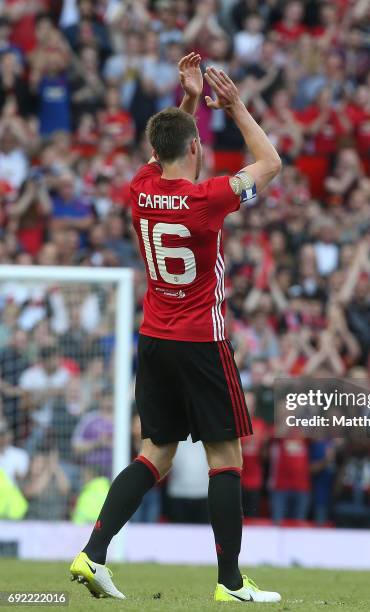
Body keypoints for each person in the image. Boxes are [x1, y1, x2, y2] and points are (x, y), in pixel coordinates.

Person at [70, 52, 282, 603]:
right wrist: (234, 106)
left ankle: (92, 554)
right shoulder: (205, 200)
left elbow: (163, 150)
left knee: (155, 451)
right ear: (196, 147)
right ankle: (230, 583)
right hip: (201, 342)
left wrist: (187, 100)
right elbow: (271, 162)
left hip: (154, 339)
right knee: (225, 457)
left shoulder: (139, 190)